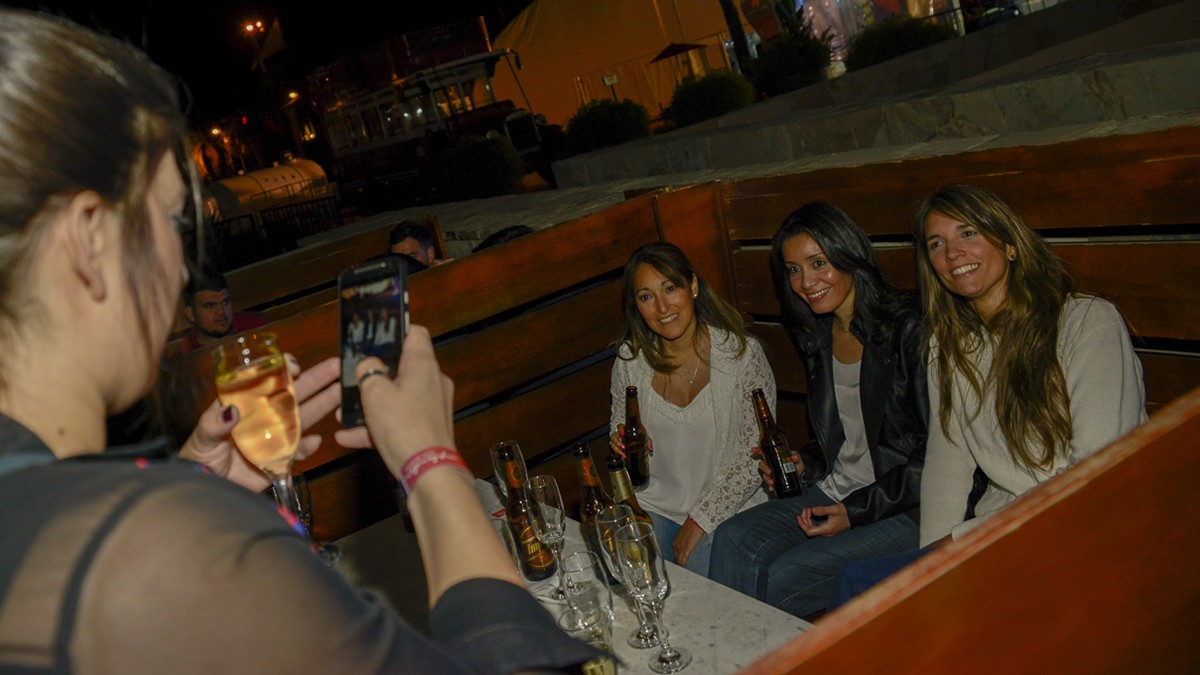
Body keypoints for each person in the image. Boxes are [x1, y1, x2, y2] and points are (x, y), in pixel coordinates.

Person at [0, 10, 597, 672]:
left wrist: (197, 489)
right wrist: (432, 462)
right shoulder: (143, 548)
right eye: (170, 220)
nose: (180, 266)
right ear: (87, 242)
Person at [830, 184, 1146, 606]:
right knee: (863, 587)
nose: (952, 253)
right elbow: (947, 465)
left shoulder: (1085, 322)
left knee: (864, 588)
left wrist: (962, 542)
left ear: (1010, 244)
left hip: (1085, 531)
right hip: (997, 534)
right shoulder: (951, 345)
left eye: (968, 233)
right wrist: (931, 574)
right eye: (937, 244)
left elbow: (1094, 475)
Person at [707, 202, 927, 619]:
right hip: (837, 489)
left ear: (849, 254)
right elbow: (846, 436)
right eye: (793, 269)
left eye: (818, 263)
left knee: (776, 580)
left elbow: (936, 454)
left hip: (903, 506)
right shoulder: (820, 333)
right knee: (732, 537)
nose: (806, 282)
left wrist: (855, 512)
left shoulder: (908, 328)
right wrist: (804, 464)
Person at [609, 242, 775, 575]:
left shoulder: (741, 356)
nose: (662, 307)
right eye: (646, 296)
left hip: (725, 511)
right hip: (653, 506)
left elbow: (754, 456)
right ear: (636, 306)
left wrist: (700, 519)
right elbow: (622, 445)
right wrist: (621, 446)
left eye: (671, 288)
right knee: (632, 572)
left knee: (700, 587)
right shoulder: (630, 361)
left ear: (693, 286)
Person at [176, 266, 268, 353]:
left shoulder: (257, 325)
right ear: (190, 314)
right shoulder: (186, 355)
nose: (221, 311)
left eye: (225, 302)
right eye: (210, 306)